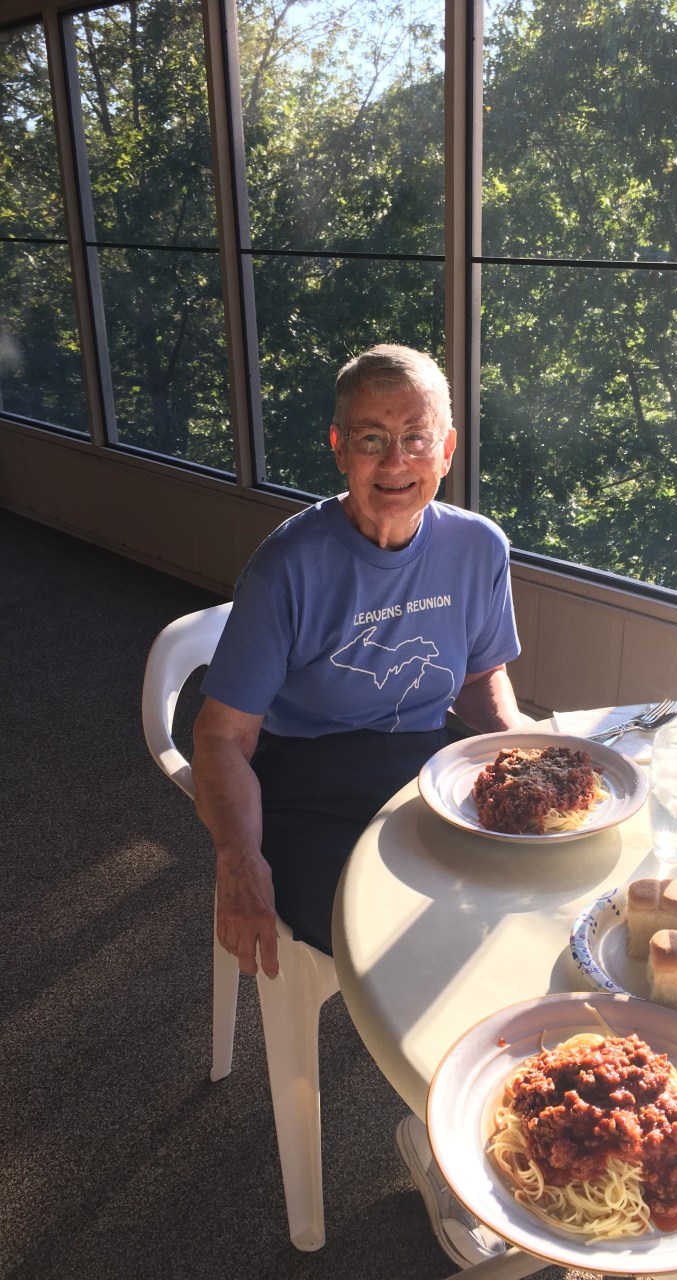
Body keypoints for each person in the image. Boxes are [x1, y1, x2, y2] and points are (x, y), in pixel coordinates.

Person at [192, 343, 527, 1268]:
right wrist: (240, 863)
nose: (395, 462)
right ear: (339, 447)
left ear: (447, 446)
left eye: (414, 437)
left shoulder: (477, 546)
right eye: (372, 439)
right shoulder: (287, 565)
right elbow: (222, 737)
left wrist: (520, 765)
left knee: (538, 902)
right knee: (409, 941)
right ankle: (439, 1138)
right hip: (302, 779)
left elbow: (480, 684)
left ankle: (494, 1109)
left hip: (420, 765)